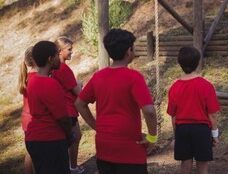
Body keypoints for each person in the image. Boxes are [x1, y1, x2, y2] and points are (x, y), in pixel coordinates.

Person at [75, 29, 157, 174]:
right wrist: (152, 136)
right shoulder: (134, 77)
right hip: (130, 149)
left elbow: (79, 104)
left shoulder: (98, 77)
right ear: (128, 51)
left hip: (104, 148)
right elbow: (149, 111)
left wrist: (96, 126)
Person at [167, 46, 221, 174]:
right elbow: (212, 115)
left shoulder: (175, 87)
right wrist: (215, 135)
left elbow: (173, 116)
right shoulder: (206, 86)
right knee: (202, 165)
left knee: (185, 163)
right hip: (201, 130)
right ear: (197, 63)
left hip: (182, 129)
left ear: (180, 64)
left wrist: (177, 134)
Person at [25, 41, 74, 174]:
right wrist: (70, 134)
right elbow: (63, 118)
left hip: (34, 138)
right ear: (50, 59)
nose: (59, 57)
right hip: (50, 140)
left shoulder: (32, 80)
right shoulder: (50, 84)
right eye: (57, 54)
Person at [52, 36, 84, 174]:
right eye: (69, 49)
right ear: (60, 51)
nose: (72, 52)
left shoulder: (53, 67)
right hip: (68, 109)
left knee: (68, 139)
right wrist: (79, 85)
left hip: (62, 108)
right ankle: (73, 167)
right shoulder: (63, 68)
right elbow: (77, 91)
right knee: (74, 137)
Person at [17, 46, 38, 174]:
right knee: (37, 153)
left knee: (30, 152)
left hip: (27, 118)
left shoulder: (27, 77)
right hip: (33, 119)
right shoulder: (36, 78)